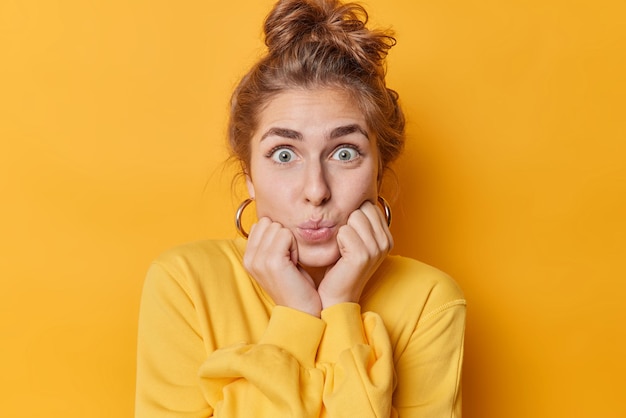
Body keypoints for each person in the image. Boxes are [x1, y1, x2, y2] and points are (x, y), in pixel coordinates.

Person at [135, 0, 466, 416]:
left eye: (344, 153)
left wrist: (340, 306)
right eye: (285, 154)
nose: (315, 191)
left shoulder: (429, 302)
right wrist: (297, 316)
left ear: (379, 171)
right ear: (249, 175)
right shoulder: (186, 283)